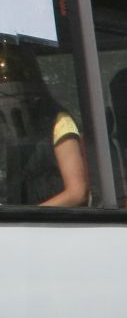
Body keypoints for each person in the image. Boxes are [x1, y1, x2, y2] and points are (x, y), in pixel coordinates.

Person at [0, 42, 89, 207]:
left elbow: (77, 192)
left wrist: (26, 217)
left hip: (54, 226)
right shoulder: (7, 130)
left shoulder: (59, 121)